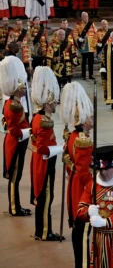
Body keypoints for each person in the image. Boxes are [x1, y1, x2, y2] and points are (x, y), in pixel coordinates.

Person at [28, 66, 64, 241]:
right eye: (55, 101)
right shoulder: (44, 122)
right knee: (45, 197)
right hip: (44, 161)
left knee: (43, 197)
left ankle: (40, 230)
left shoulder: (38, 118)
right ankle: (44, 232)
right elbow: (43, 148)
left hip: (39, 161)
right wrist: (61, 148)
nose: (56, 103)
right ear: (48, 103)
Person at [60, 82, 94, 267]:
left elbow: (69, 163)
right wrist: (95, 190)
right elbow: (84, 172)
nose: (92, 119)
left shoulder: (73, 136)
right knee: (82, 231)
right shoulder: (83, 140)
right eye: (89, 116)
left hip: (74, 185)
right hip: (82, 189)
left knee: (78, 230)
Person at [2, 56, 30, 217]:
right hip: (15, 142)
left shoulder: (16, 103)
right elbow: (14, 130)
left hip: (19, 141)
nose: (24, 89)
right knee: (14, 176)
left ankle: (16, 205)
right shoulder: (13, 105)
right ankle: (14, 207)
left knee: (17, 176)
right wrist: (30, 132)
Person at [73, 12, 97, 80]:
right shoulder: (78, 25)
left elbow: (96, 33)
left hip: (91, 45)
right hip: (83, 45)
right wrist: (78, 39)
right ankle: (83, 75)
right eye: (84, 16)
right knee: (84, 62)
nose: (86, 18)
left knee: (91, 61)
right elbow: (75, 34)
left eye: (86, 16)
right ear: (81, 17)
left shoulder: (92, 24)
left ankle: (91, 75)